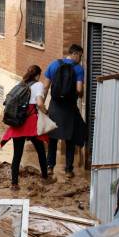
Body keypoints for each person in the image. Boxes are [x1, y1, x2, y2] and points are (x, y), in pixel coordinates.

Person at [0, 66, 56, 190]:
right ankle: (45, 178)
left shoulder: (21, 84)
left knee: (17, 155)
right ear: (37, 75)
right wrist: (46, 112)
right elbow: (40, 104)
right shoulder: (38, 85)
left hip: (19, 122)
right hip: (31, 123)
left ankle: (14, 184)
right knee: (41, 151)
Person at [43, 44, 86, 178]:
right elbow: (79, 90)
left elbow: (45, 87)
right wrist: (80, 94)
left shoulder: (53, 64)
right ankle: (68, 170)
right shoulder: (78, 69)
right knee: (70, 139)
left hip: (55, 106)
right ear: (75, 53)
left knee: (53, 137)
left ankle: (50, 167)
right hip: (69, 107)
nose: (80, 58)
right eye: (80, 55)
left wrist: (43, 106)